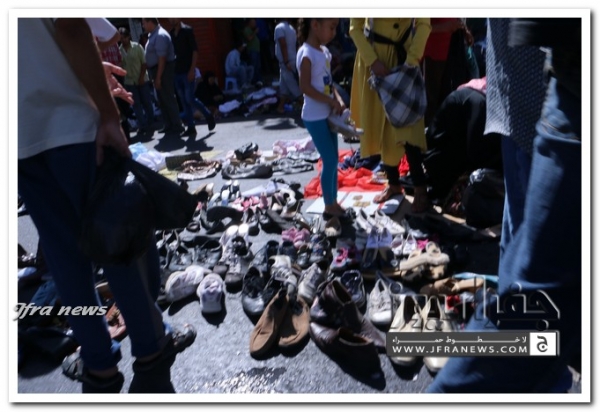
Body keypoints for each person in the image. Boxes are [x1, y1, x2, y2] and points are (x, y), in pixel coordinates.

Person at [18, 18, 196, 393]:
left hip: (20, 139)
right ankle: (150, 346)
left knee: (64, 261)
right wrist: (108, 111)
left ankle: (98, 363)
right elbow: (70, 26)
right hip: (73, 126)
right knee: (119, 241)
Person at [426, 17, 582, 393]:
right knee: (528, 274)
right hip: (543, 96)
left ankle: (543, 373)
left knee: (531, 281)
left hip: (545, 96)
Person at [348, 18, 431, 212]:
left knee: (409, 129)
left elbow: (424, 24)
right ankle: (393, 184)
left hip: (405, 60)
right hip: (373, 61)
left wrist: (412, 59)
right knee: (381, 126)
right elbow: (355, 28)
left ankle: (420, 189)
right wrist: (372, 61)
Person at [296, 18, 348, 219]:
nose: (334, 33)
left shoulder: (324, 52)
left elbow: (329, 83)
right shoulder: (306, 53)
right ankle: (328, 204)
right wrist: (330, 100)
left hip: (327, 114)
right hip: (314, 117)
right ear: (315, 25)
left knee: (334, 159)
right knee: (330, 160)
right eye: (331, 27)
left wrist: (338, 100)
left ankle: (333, 201)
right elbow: (305, 87)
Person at [169, 18, 216, 137]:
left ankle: (208, 115)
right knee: (183, 101)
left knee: (190, 98)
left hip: (187, 71)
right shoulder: (171, 34)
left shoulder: (187, 30)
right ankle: (191, 127)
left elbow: (195, 51)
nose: (171, 19)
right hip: (177, 72)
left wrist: (192, 70)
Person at [142, 18, 184, 136]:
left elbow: (162, 58)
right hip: (156, 70)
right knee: (161, 99)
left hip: (163, 69)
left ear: (150, 22)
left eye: (144, 23)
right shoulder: (153, 35)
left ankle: (177, 125)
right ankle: (168, 124)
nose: (143, 25)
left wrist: (159, 77)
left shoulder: (160, 35)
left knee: (168, 97)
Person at [118, 26, 156, 138]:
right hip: (130, 82)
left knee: (146, 102)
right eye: (121, 38)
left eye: (124, 37)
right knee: (136, 104)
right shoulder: (119, 50)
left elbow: (144, 63)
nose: (122, 40)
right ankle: (142, 125)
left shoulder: (137, 47)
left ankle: (151, 123)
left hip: (142, 79)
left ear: (128, 37)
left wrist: (141, 78)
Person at [274, 18, 302, 114]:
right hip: (291, 59)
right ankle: (280, 107)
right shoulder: (291, 28)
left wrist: (286, 62)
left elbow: (283, 45)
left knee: (292, 85)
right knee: (283, 86)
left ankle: (304, 103)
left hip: (286, 61)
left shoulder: (279, 28)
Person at [242, 18, 262, 85]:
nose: (255, 24)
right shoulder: (246, 30)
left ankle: (258, 80)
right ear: (249, 23)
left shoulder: (252, 30)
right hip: (252, 50)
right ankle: (253, 81)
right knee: (254, 66)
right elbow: (249, 38)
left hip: (256, 50)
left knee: (258, 66)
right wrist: (255, 32)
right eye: (253, 23)